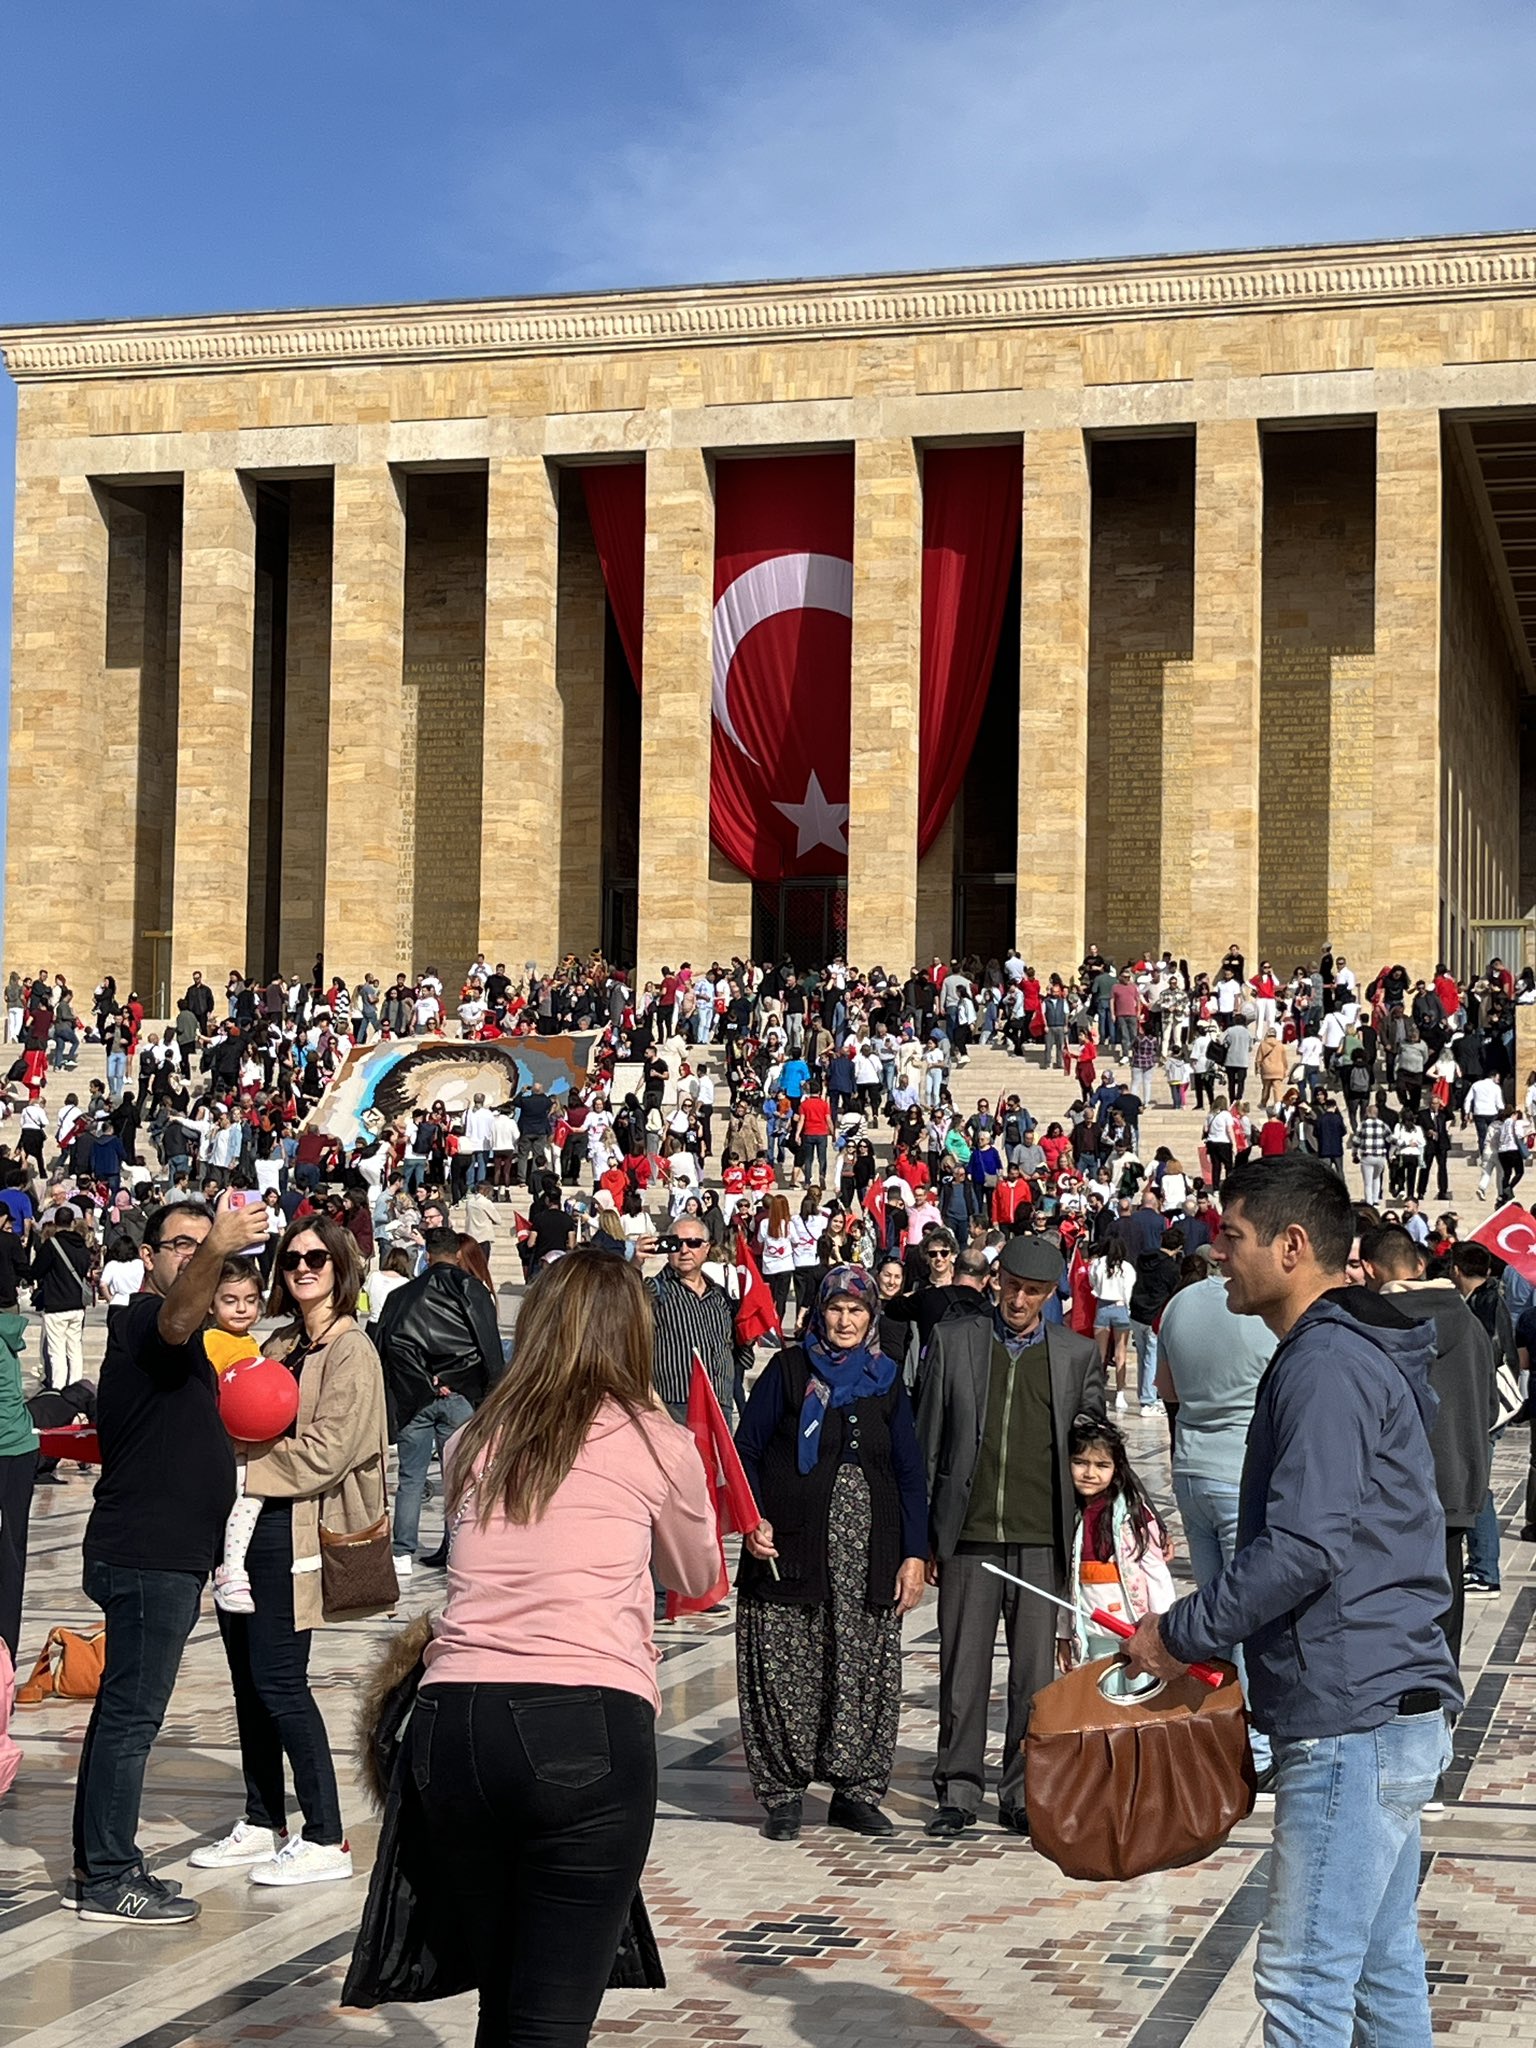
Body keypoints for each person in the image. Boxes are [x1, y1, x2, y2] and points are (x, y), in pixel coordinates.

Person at [1125, 1156, 1460, 2048]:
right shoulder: (1332, 1352)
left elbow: (1305, 1546)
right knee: (1381, 1971)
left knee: (1304, 1982)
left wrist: (1178, 1631)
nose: (1217, 1253)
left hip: (1353, 1710)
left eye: (1231, 1236)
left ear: (1293, 1244)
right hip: (1382, 1701)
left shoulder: (1326, 1364)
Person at [408, 1253, 718, 2047]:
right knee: (547, 2021)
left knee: (500, 2002)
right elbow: (696, 1573)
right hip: (583, 1716)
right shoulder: (656, 1439)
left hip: (453, 1719)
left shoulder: (476, 1435)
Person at [72, 1193, 270, 1924]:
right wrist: (217, 1244)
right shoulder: (144, 1323)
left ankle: (101, 1863)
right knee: (132, 1720)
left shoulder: (191, 1343)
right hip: (149, 1556)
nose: (195, 1252)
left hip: (163, 1556)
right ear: (148, 1257)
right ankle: (108, 1879)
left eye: (203, 1242)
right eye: (180, 1244)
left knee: (119, 1719)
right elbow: (180, 1311)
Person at [195, 1211, 390, 1888]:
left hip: (295, 1530)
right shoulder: (278, 1344)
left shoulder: (351, 1351)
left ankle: (327, 1834)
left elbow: (332, 1450)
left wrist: (249, 1465)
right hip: (243, 1532)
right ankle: (262, 1818)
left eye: (315, 1258)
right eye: (291, 1259)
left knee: (280, 1679)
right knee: (247, 1682)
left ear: (341, 1265)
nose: (302, 1268)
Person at [916, 1233, 1104, 1837]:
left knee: (1033, 1675)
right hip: (968, 1534)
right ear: (996, 1280)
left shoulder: (1075, 1356)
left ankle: (1023, 1790)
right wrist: (922, 1543)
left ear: (1051, 1295)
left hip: (1041, 1535)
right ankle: (959, 1787)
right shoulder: (953, 1342)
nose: (1020, 1300)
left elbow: (1096, 1454)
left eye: (1034, 1292)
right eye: (1013, 1286)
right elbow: (928, 1445)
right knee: (962, 1666)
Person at [734, 1266, 928, 1840]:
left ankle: (856, 1792)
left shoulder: (886, 1379)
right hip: (789, 1546)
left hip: (869, 1552)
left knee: (862, 1666)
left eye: (857, 1311)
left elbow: (910, 1472)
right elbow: (744, 1449)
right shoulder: (788, 1371)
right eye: (837, 1309)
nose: (846, 1321)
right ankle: (784, 1794)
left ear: (872, 1317)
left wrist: (913, 1555)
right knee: (785, 1662)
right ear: (820, 1313)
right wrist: (752, 1519)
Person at [1155, 1259, 1277, 1789]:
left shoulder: (1178, 1306)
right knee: (1247, 1614)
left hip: (1191, 1470)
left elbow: (1167, 1390)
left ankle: (1214, 1727)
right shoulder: (1256, 1309)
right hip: (1241, 1471)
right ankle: (1255, 1745)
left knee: (1214, 1610)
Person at [1359, 1223, 1494, 1671]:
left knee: (1393, 1606)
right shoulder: (1469, 1321)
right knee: (1447, 1606)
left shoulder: (1375, 1325)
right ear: (1420, 1265)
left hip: (1395, 1490)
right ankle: (1442, 1710)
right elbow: (1490, 1404)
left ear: (1370, 1268)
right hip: (1457, 1483)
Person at [376, 1225, 507, 1575]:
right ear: (458, 1254)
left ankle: (402, 1551)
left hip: (415, 1397)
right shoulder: (470, 1290)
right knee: (460, 1476)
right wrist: (478, 1389)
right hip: (460, 1395)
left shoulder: (401, 1296)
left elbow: (390, 1347)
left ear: (427, 1255)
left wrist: (424, 1382)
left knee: (411, 1477)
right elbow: (485, 1346)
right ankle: (456, 1544)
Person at [1056, 1415, 1174, 1670]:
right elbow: (1068, 1583)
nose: (1090, 1473)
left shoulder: (1132, 1515)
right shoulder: (1071, 1515)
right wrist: (1063, 1635)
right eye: (1080, 1463)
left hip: (1136, 1634)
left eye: (1101, 1465)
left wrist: (1164, 1630)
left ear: (1116, 1469)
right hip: (1094, 1635)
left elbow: (1155, 1573)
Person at [207, 1259, 271, 1613]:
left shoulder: (249, 1342)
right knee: (248, 1497)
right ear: (211, 1304)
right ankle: (230, 1570)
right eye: (230, 1300)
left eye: (249, 1299)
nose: (242, 1308)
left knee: (248, 1497)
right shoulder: (212, 1341)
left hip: (247, 1440)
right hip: (227, 1441)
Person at [0, 1310, 38, 1662]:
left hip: (7, 1449)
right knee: (10, 1553)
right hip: (18, 1448)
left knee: (7, 1557)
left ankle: (3, 1656)